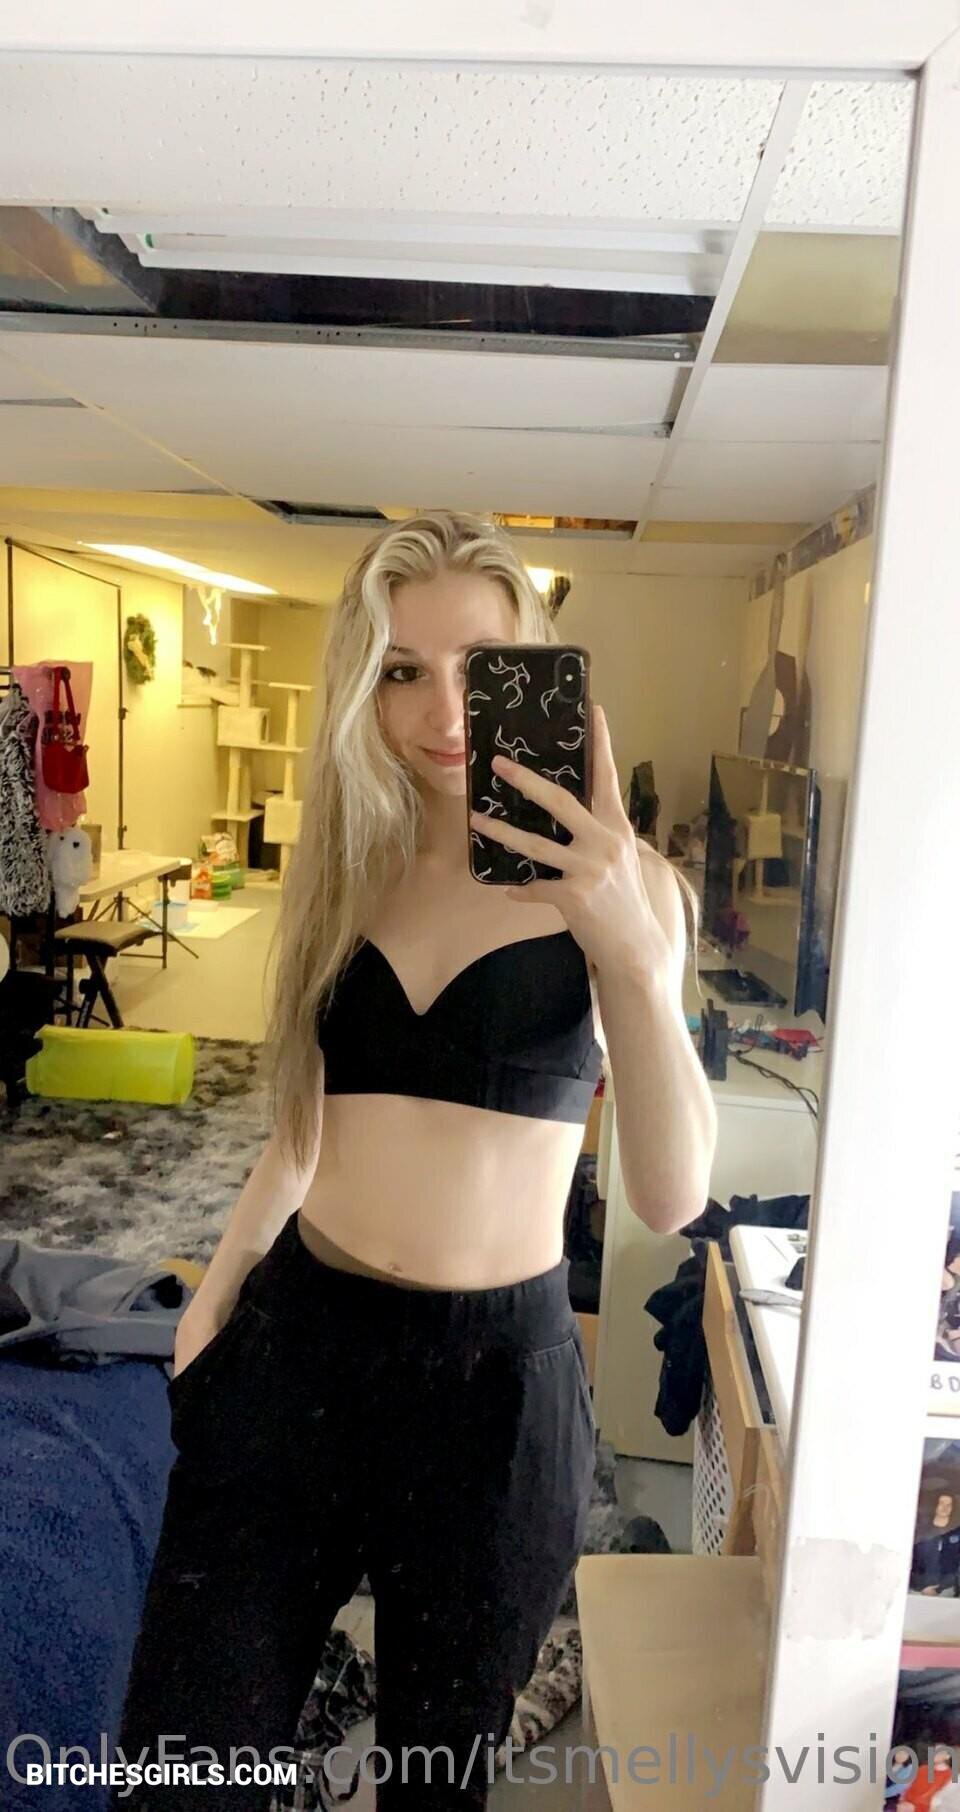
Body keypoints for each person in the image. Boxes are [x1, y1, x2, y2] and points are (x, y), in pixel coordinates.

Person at [111, 510, 717, 1810]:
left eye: (479, 667)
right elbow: (304, 1119)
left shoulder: (628, 891)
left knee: (433, 1781)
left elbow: (673, 1195)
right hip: (297, 1345)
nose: (443, 711)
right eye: (400, 670)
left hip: (494, 1396)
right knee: (180, 1761)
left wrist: (626, 946)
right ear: (360, 685)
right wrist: (217, 1296)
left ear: (534, 669)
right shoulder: (348, 867)